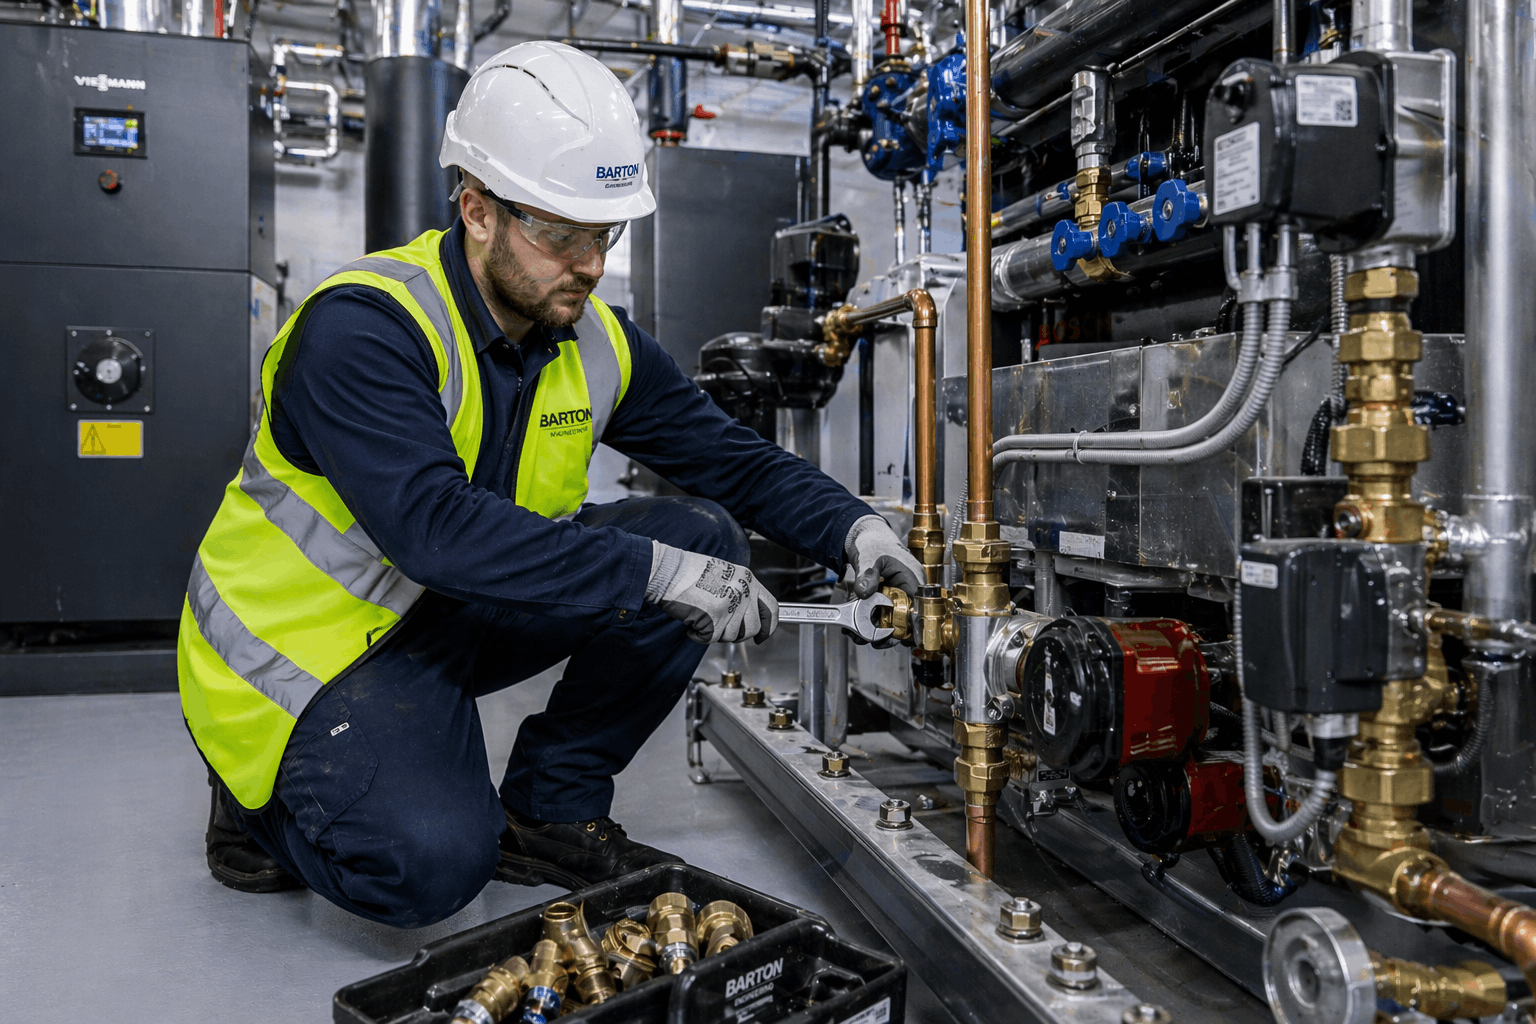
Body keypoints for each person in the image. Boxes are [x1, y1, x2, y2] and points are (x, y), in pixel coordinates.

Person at [181, 40, 922, 928]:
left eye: (604, 235)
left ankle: (549, 808)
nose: (590, 264)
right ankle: (255, 806)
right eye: (562, 235)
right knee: (430, 866)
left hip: (451, 604)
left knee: (703, 538)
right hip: (312, 647)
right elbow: (435, 531)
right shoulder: (366, 329)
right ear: (477, 210)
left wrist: (856, 530)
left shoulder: (593, 337)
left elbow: (730, 458)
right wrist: (652, 575)